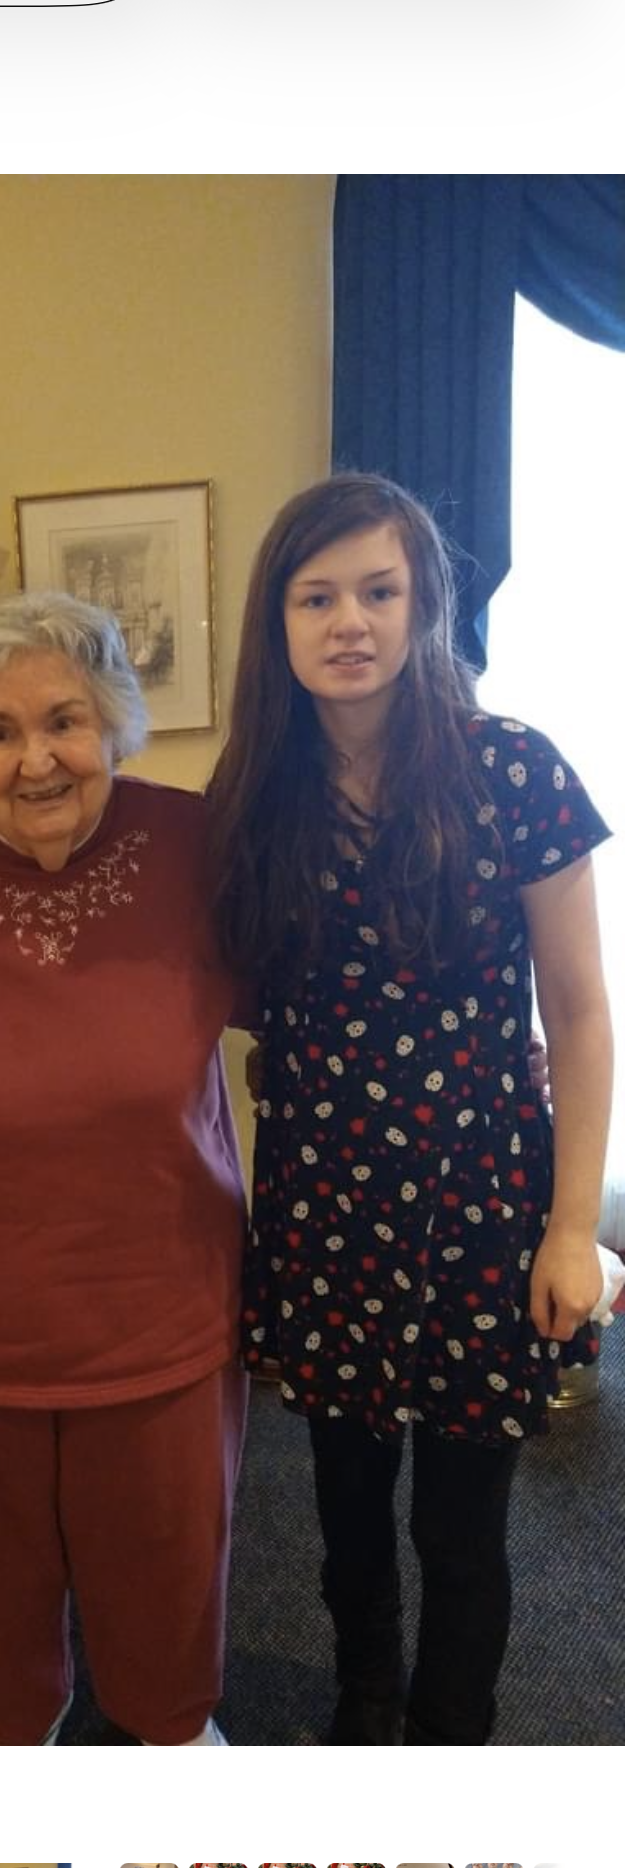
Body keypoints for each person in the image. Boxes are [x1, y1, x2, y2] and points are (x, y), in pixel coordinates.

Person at [208, 473, 613, 1747]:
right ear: (278, 621)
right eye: (316, 595)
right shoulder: (256, 791)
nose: (350, 622)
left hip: (482, 1200)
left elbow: (580, 1010)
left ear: (423, 602)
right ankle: (362, 1702)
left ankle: (450, 1751)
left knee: (462, 1527)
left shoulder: (514, 769)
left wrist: (570, 1227)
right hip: (324, 1202)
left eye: (378, 591)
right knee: (340, 1509)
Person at [0, 591, 252, 1746]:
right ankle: (14, 1733)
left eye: (65, 721)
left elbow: (326, 992)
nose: (36, 759)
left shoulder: (197, 847)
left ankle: (176, 1733)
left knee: (171, 1565)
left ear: (118, 726)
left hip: (159, 1307)